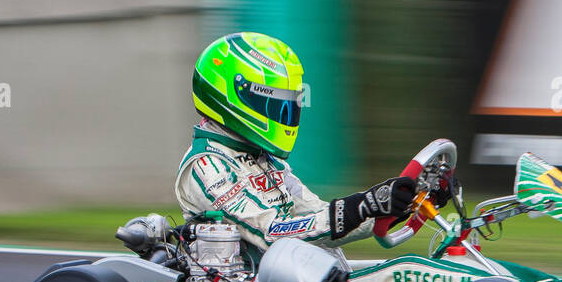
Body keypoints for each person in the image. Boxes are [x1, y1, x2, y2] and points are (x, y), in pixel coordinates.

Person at [175, 32, 442, 264]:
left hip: (294, 280)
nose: (285, 113)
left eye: (290, 104)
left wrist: (397, 205)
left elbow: (316, 218)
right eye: (275, 104)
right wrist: (359, 206)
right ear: (233, 97)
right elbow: (272, 233)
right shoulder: (206, 166)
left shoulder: (265, 160)